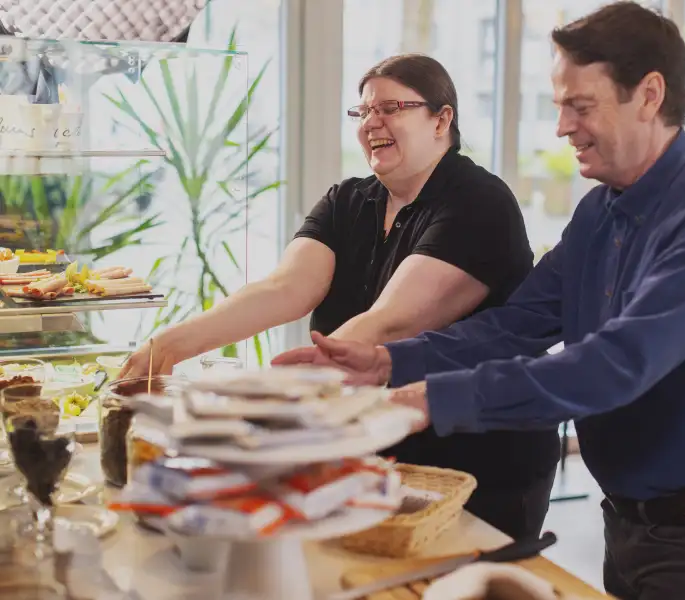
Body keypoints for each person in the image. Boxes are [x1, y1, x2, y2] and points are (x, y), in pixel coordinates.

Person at [271, 4, 685, 599]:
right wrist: (392, 362)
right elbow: (517, 323)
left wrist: (429, 399)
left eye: (581, 106)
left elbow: (616, 365)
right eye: (559, 107)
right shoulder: (600, 211)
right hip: (630, 518)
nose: (562, 128)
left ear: (649, 94)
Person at [120, 53, 561, 540]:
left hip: (476, 464)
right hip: (375, 453)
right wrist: (165, 348)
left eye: (391, 107)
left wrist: (257, 414)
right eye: (364, 111)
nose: (373, 122)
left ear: (443, 119)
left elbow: (390, 324)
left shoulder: (479, 200)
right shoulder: (348, 200)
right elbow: (283, 289)